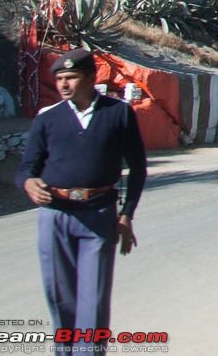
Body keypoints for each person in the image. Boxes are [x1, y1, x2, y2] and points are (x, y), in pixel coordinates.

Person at [15, 48, 147, 353]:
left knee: (94, 298)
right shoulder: (47, 119)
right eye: (59, 78)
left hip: (99, 214)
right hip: (55, 214)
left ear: (90, 77)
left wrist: (126, 216)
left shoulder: (118, 113)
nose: (63, 84)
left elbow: (138, 167)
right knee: (60, 296)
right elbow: (26, 168)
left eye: (70, 78)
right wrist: (28, 183)